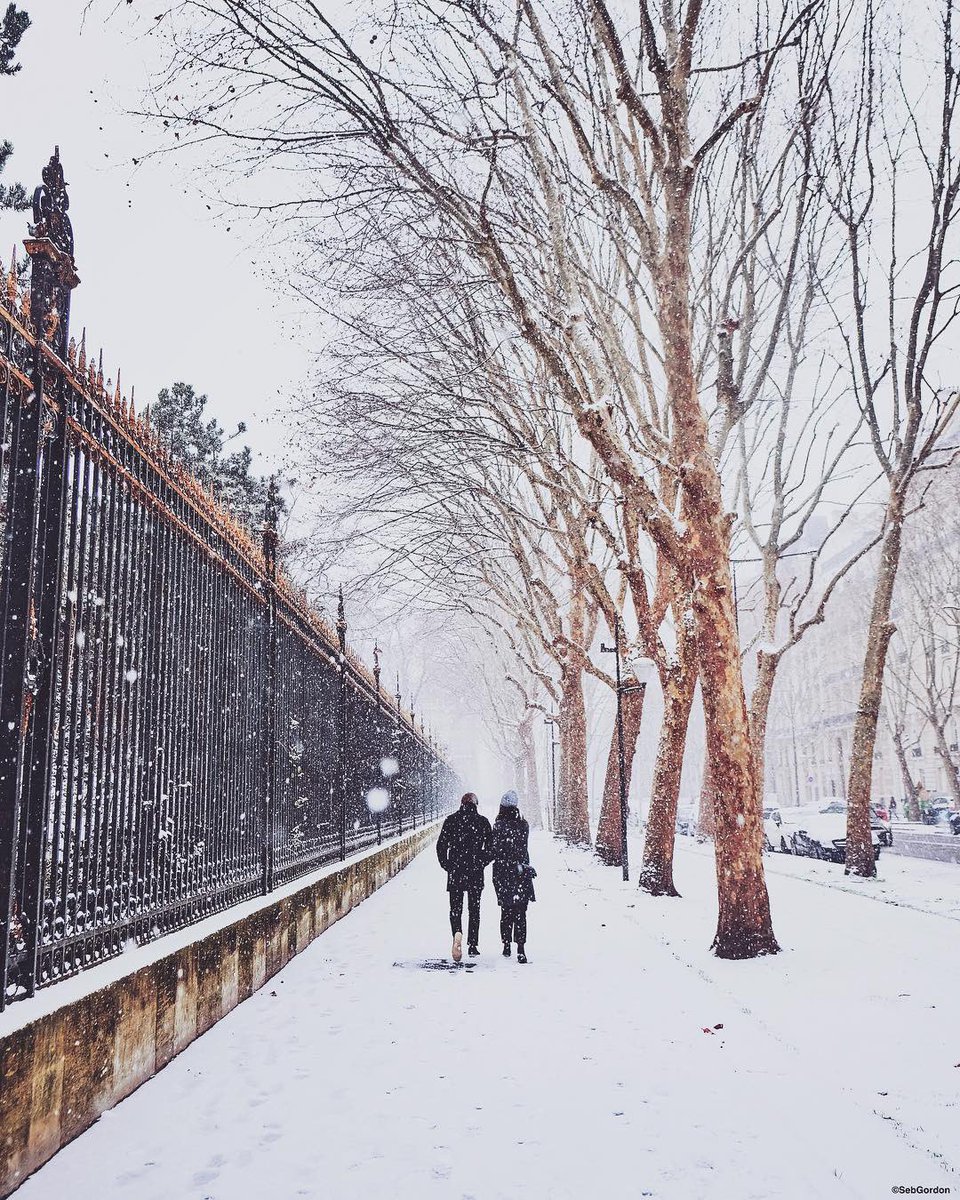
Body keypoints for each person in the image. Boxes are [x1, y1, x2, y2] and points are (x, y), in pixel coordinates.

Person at [436, 792, 492, 962]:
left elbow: (441, 846)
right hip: (475, 873)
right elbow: (491, 848)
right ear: (475, 805)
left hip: (456, 872)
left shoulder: (451, 821)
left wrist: (447, 865)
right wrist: (481, 861)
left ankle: (457, 933)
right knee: (474, 910)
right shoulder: (482, 822)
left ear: (461, 804)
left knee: (455, 909)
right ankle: (473, 944)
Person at [492, 790, 536, 964]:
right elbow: (522, 848)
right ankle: (521, 948)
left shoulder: (498, 826)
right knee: (521, 912)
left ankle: (506, 944)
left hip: (503, 873)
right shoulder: (523, 825)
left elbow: (496, 850)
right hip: (521, 872)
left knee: (506, 910)